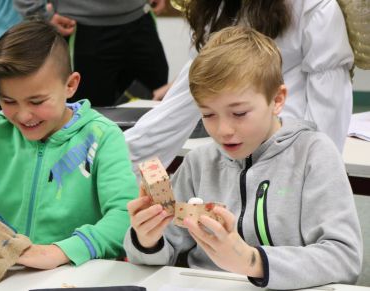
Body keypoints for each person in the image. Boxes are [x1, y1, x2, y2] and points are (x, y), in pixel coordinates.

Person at [124, 26, 362, 290]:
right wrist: (146, 240)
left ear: (278, 99)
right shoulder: (199, 163)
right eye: (208, 115)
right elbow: (161, 252)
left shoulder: (313, 155)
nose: (223, 130)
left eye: (239, 113)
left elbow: (344, 258)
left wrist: (252, 260)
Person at [0, 20, 138, 269]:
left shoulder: (102, 136)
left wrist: (61, 251)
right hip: (4, 276)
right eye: (8, 101)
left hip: (77, 276)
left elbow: (125, 216)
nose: (23, 115)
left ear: (70, 85)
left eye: (37, 101)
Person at [125, 0, 354, 171]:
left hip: (288, 154)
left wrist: (312, 176)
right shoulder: (217, 7)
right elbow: (183, 100)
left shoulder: (314, 7)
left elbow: (328, 112)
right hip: (235, 161)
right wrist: (120, 156)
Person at [13, 0, 169, 107]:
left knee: (155, 105)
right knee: (87, 115)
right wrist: (40, 14)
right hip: (81, 26)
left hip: (140, 19)